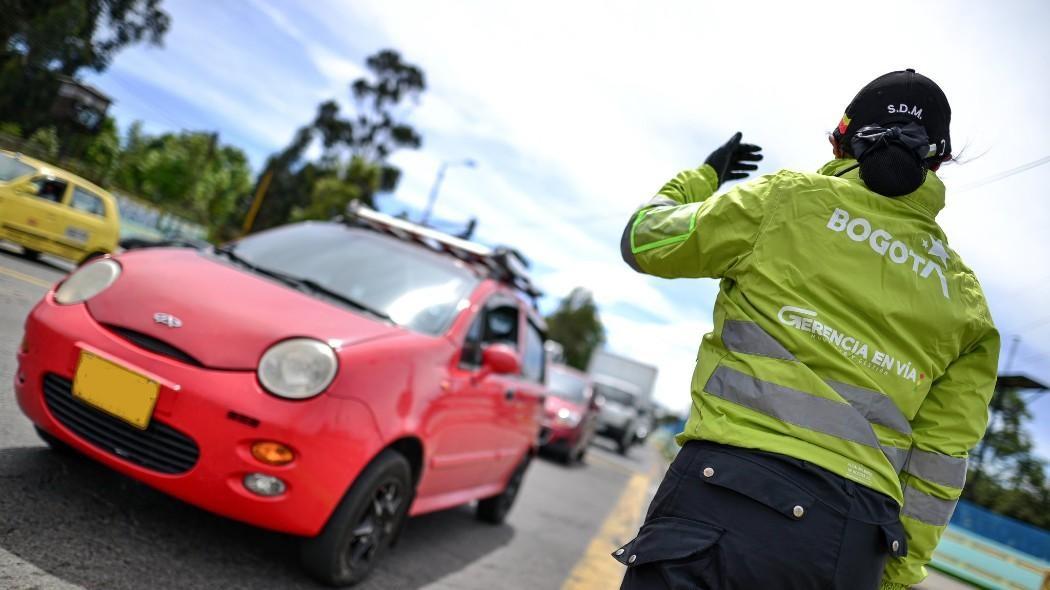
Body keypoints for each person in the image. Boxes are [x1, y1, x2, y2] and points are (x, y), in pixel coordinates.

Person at [616, 69, 999, 590]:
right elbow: (939, 464)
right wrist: (890, 577)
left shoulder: (786, 202)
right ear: (939, 161)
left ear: (843, 140)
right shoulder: (966, 301)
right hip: (852, 544)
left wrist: (703, 178)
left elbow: (643, 240)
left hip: (719, 500)